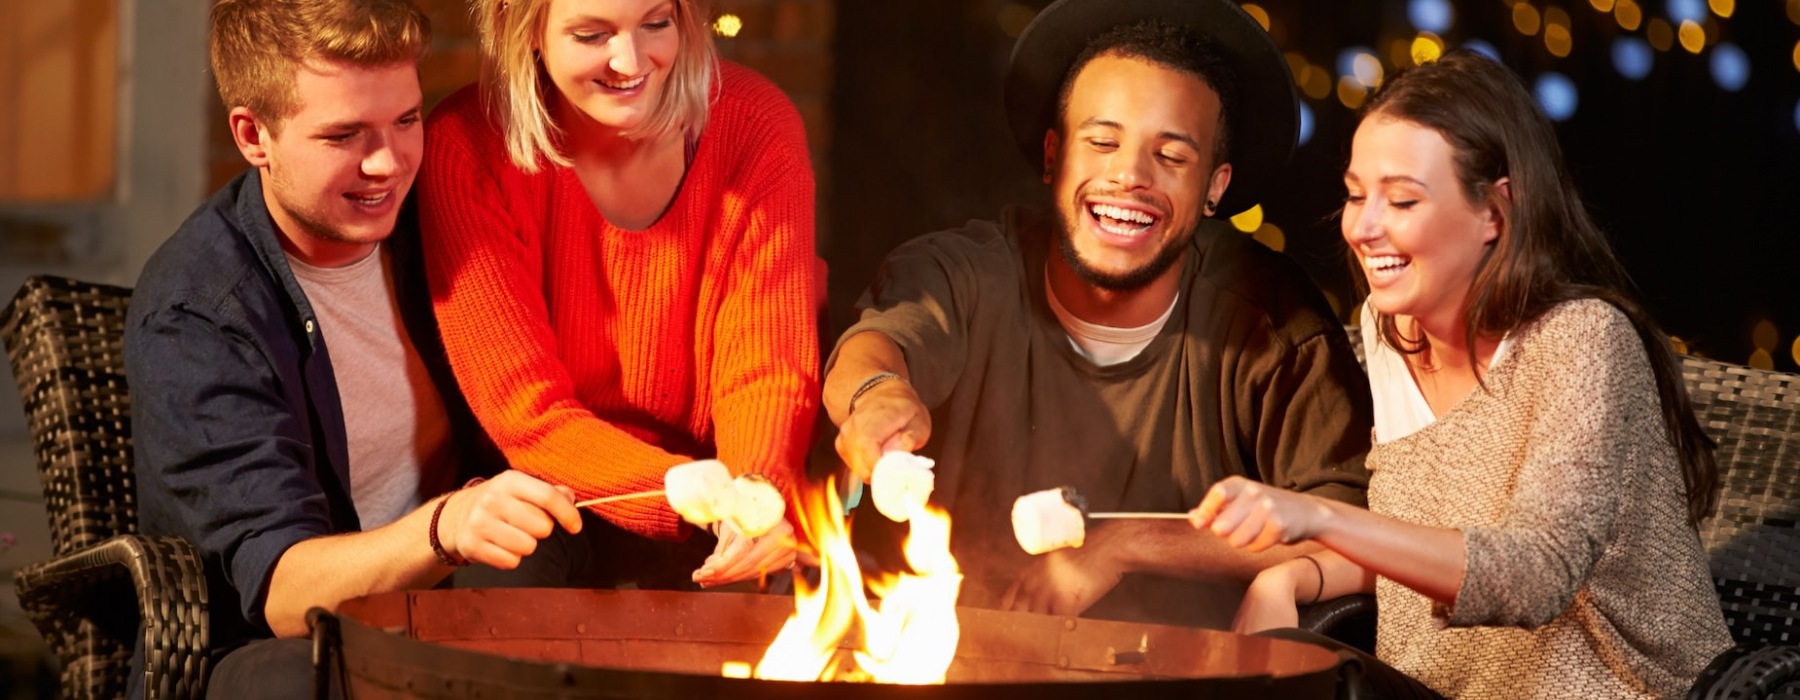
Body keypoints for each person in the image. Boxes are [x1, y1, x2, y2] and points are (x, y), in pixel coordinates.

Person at [1190, 50, 1733, 698]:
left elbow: (1536, 572)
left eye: (1401, 200)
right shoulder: (1389, 330)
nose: (1362, 227)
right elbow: (1418, 547)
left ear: (1494, 213)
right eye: (1355, 195)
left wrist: (1318, 518)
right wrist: (1292, 577)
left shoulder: (1583, 340)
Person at [825, 0, 1372, 629]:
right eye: (1103, 141)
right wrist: (876, 397)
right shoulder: (968, 271)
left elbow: (1351, 529)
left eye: (1171, 156)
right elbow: (876, 347)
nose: (1129, 175)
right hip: (955, 664)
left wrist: (1124, 544)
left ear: (1216, 187)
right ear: (1054, 154)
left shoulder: (1270, 321)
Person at [126, 1, 588, 698]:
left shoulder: (438, 218)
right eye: (343, 135)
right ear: (254, 136)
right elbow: (284, 590)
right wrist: (444, 527)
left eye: (406, 120)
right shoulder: (197, 314)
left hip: (448, 608)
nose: (387, 163)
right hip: (271, 647)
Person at [417, 0, 816, 590]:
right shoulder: (467, 146)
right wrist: (690, 493)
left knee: (770, 607)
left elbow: (767, 366)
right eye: (590, 34)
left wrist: (754, 495)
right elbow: (527, 414)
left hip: (716, 488)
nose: (630, 61)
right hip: (539, 491)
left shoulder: (755, 125)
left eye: (656, 24)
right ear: (523, 29)